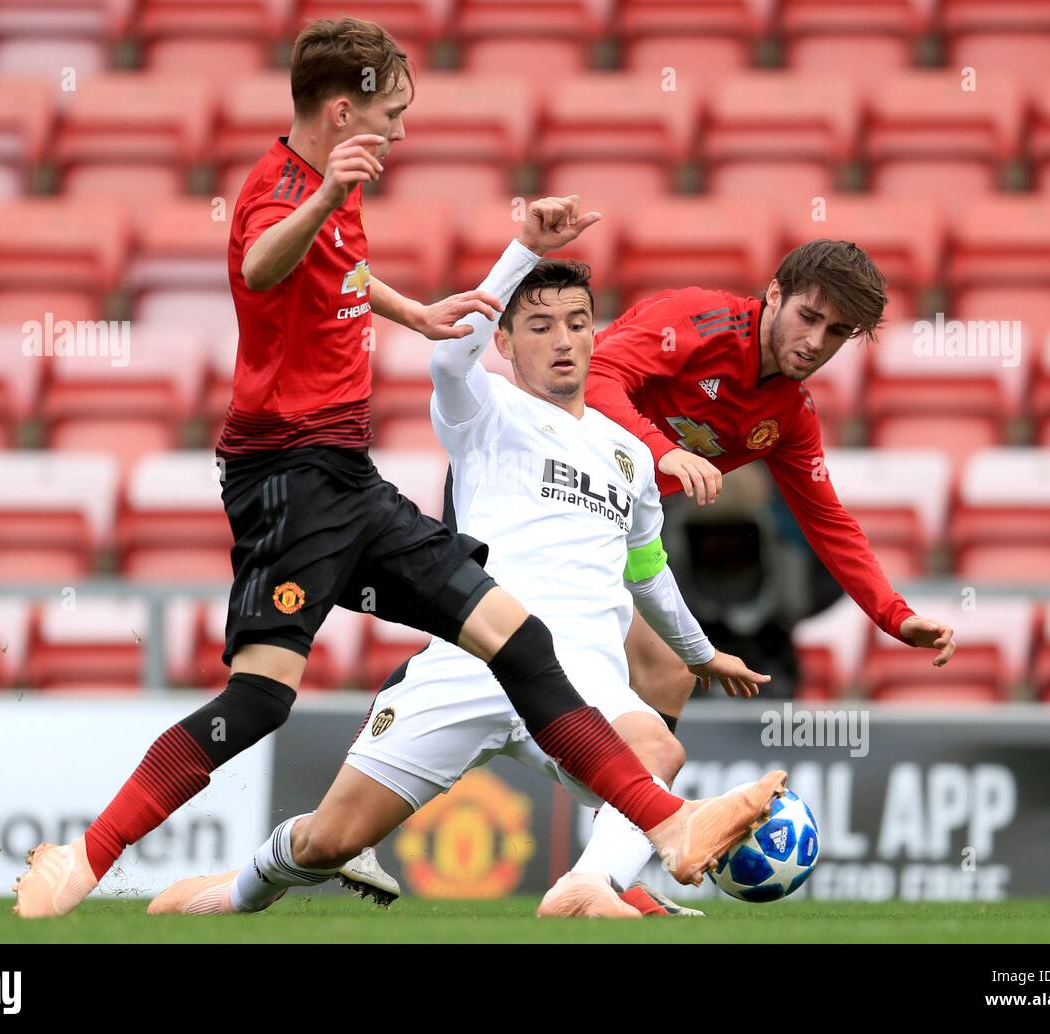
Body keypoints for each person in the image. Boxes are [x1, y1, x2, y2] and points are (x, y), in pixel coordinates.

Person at [11, 20, 782, 916]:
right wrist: (324, 198)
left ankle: (665, 825)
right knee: (260, 700)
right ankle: (87, 858)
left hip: (348, 476)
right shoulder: (281, 189)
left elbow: (335, 271)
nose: (402, 131)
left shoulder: (335, 191)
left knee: (518, 639)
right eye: (392, 113)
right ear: (344, 113)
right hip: (287, 481)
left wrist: (408, 310)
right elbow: (261, 268)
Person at [147, 197, 786, 920]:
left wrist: (700, 655)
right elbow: (450, 354)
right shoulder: (484, 412)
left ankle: (585, 888)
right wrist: (521, 248)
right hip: (472, 662)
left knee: (656, 750)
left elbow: (647, 573)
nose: (564, 340)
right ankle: (229, 897)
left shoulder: (631, 454)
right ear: (506, 343)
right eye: (539, 326)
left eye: (578, 324)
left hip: (580, 676)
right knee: (329, 842)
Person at [585, 241, 958, 730]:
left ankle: (625, 804)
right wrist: (663, 449)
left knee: (666, 678)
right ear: (776, 294)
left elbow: (828, 523)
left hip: (613, 530)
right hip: (541, 490)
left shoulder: (789, 416)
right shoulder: (697, 318)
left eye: (837, 332)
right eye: (809, 317)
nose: (815, 341)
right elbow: (595, 374)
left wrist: (895, 616)